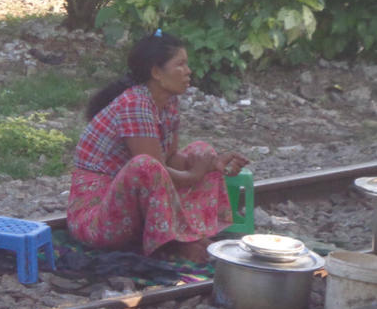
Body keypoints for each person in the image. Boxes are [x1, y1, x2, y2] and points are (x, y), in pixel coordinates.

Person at [67, 30, 248, 264]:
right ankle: (175, 242)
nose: (188, 71)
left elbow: (170, 158)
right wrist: (196, 174)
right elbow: (155, 171)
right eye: (180, 64)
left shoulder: (168, 102)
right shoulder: (135, 105)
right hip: (97, 216)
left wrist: (213, 164)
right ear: (156, 73)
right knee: (146, 166)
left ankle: (187, 235)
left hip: (132, 205)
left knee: (202, 150)